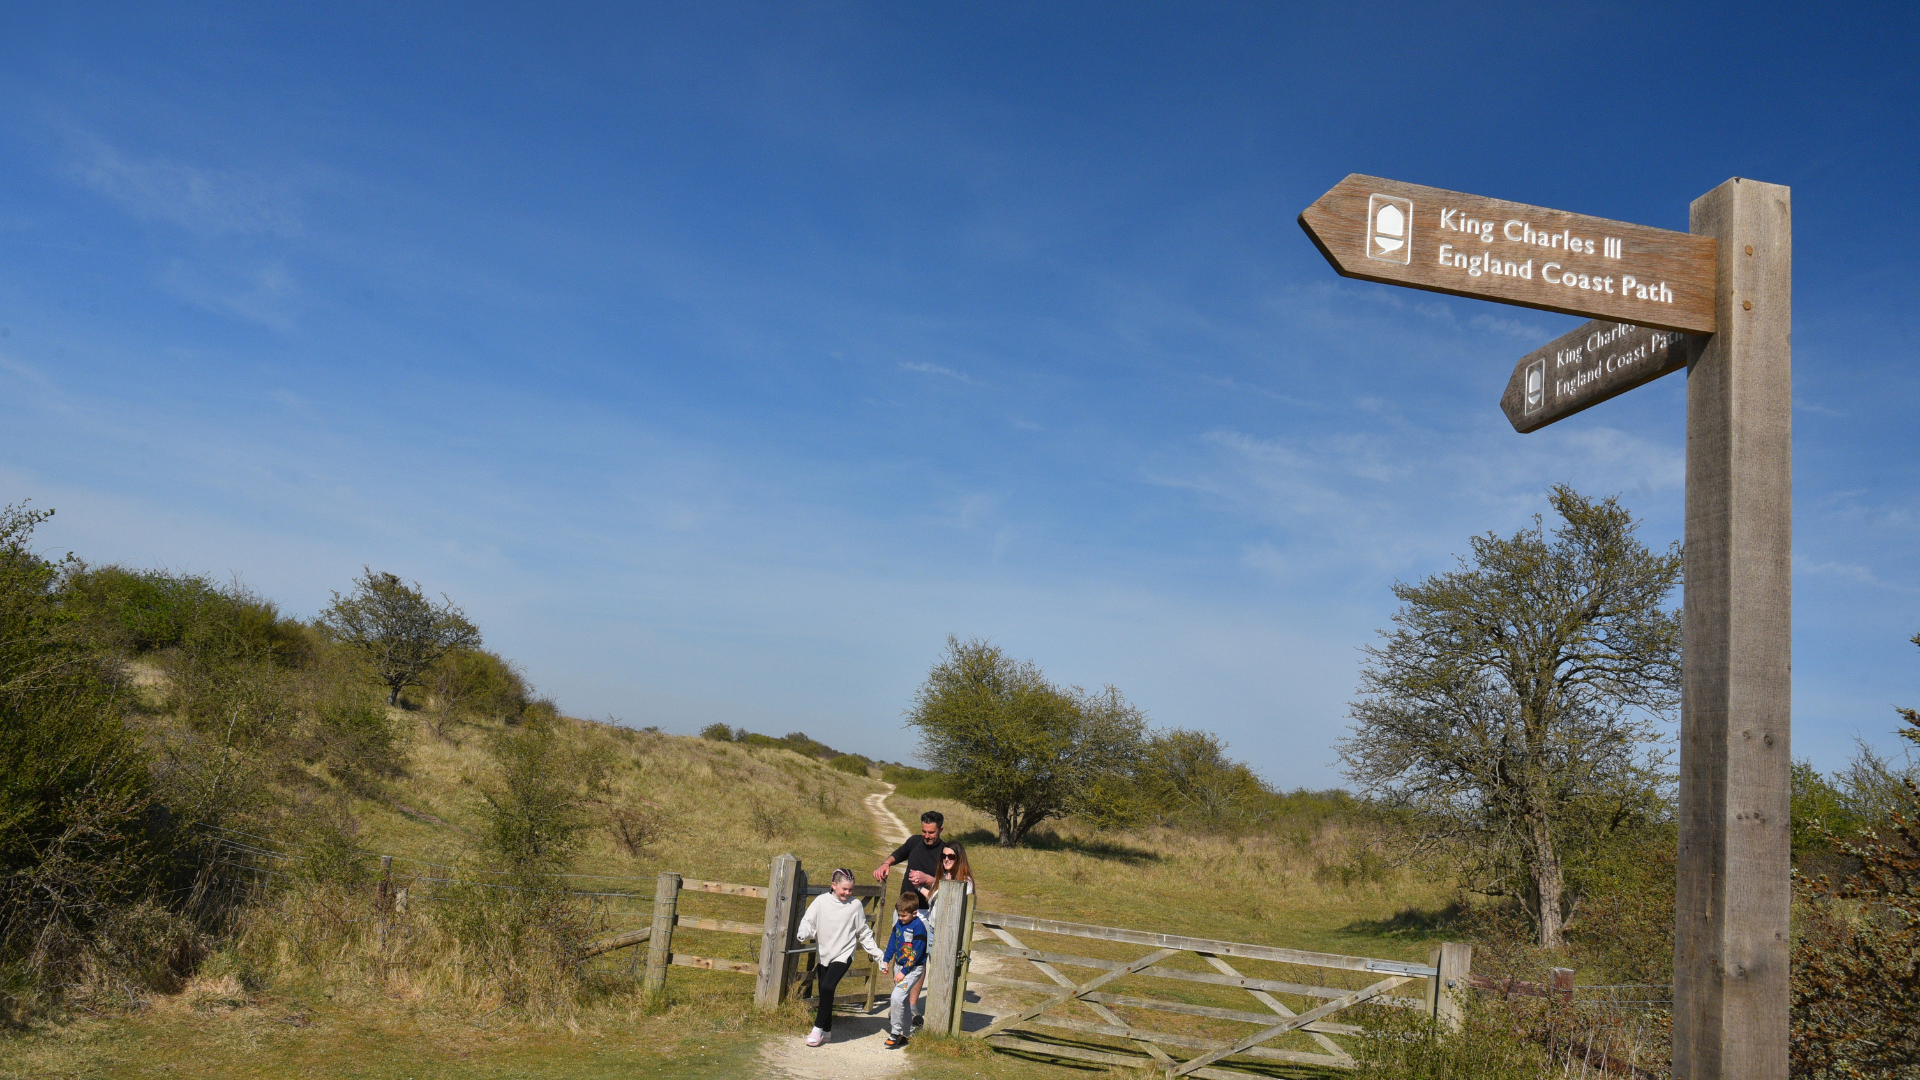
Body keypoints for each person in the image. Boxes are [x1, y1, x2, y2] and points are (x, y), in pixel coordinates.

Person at [794, 868, 884, 1047]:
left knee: (828, 986)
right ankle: (827, 1030)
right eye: (844, 889)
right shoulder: (821, 901)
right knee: (824, 989)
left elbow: (864, 933)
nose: (847, 893)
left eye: (851, 890)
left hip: (844, 953)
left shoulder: (855, 906)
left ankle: (817, 1028)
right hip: (825, 953)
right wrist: (804, 933)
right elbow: (807, 922)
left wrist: (878, 955)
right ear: (833, 886)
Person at [906, 841, 975, 1029]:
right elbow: (935, 899)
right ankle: (936, 1019)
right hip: (934, 930)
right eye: (944, 856)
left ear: (959, 858)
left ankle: (942, 1022)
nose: (946, 859)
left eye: (951, 856)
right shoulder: (944, 877)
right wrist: (919, 888)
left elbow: (954, 906)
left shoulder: (965, 882)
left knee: (946, 976)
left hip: (950, 935)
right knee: (935, 974)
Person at [880, 891, 930, 1050]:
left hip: (912, 969)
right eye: (899, 915)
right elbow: (892, 942)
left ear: (914, 913)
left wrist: (904, 972)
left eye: (903, 916)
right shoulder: (899, 924)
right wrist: (886, 959)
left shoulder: (919, 928)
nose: (900, 918)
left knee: (896, 997)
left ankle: (895, 1032)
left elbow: (916, 953)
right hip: (899, 966)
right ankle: (907, 1032)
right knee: (904, 1000)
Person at [873, 810, 946, 912]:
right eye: (924, 831)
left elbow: (948, 885)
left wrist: (927, 879)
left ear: (941, 830)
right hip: (904, 908)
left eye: (931, 832)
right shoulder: (914, 841)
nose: (926, 836)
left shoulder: (946, 852)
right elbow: (898, 854)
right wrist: (886, 864)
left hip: (928, 911)